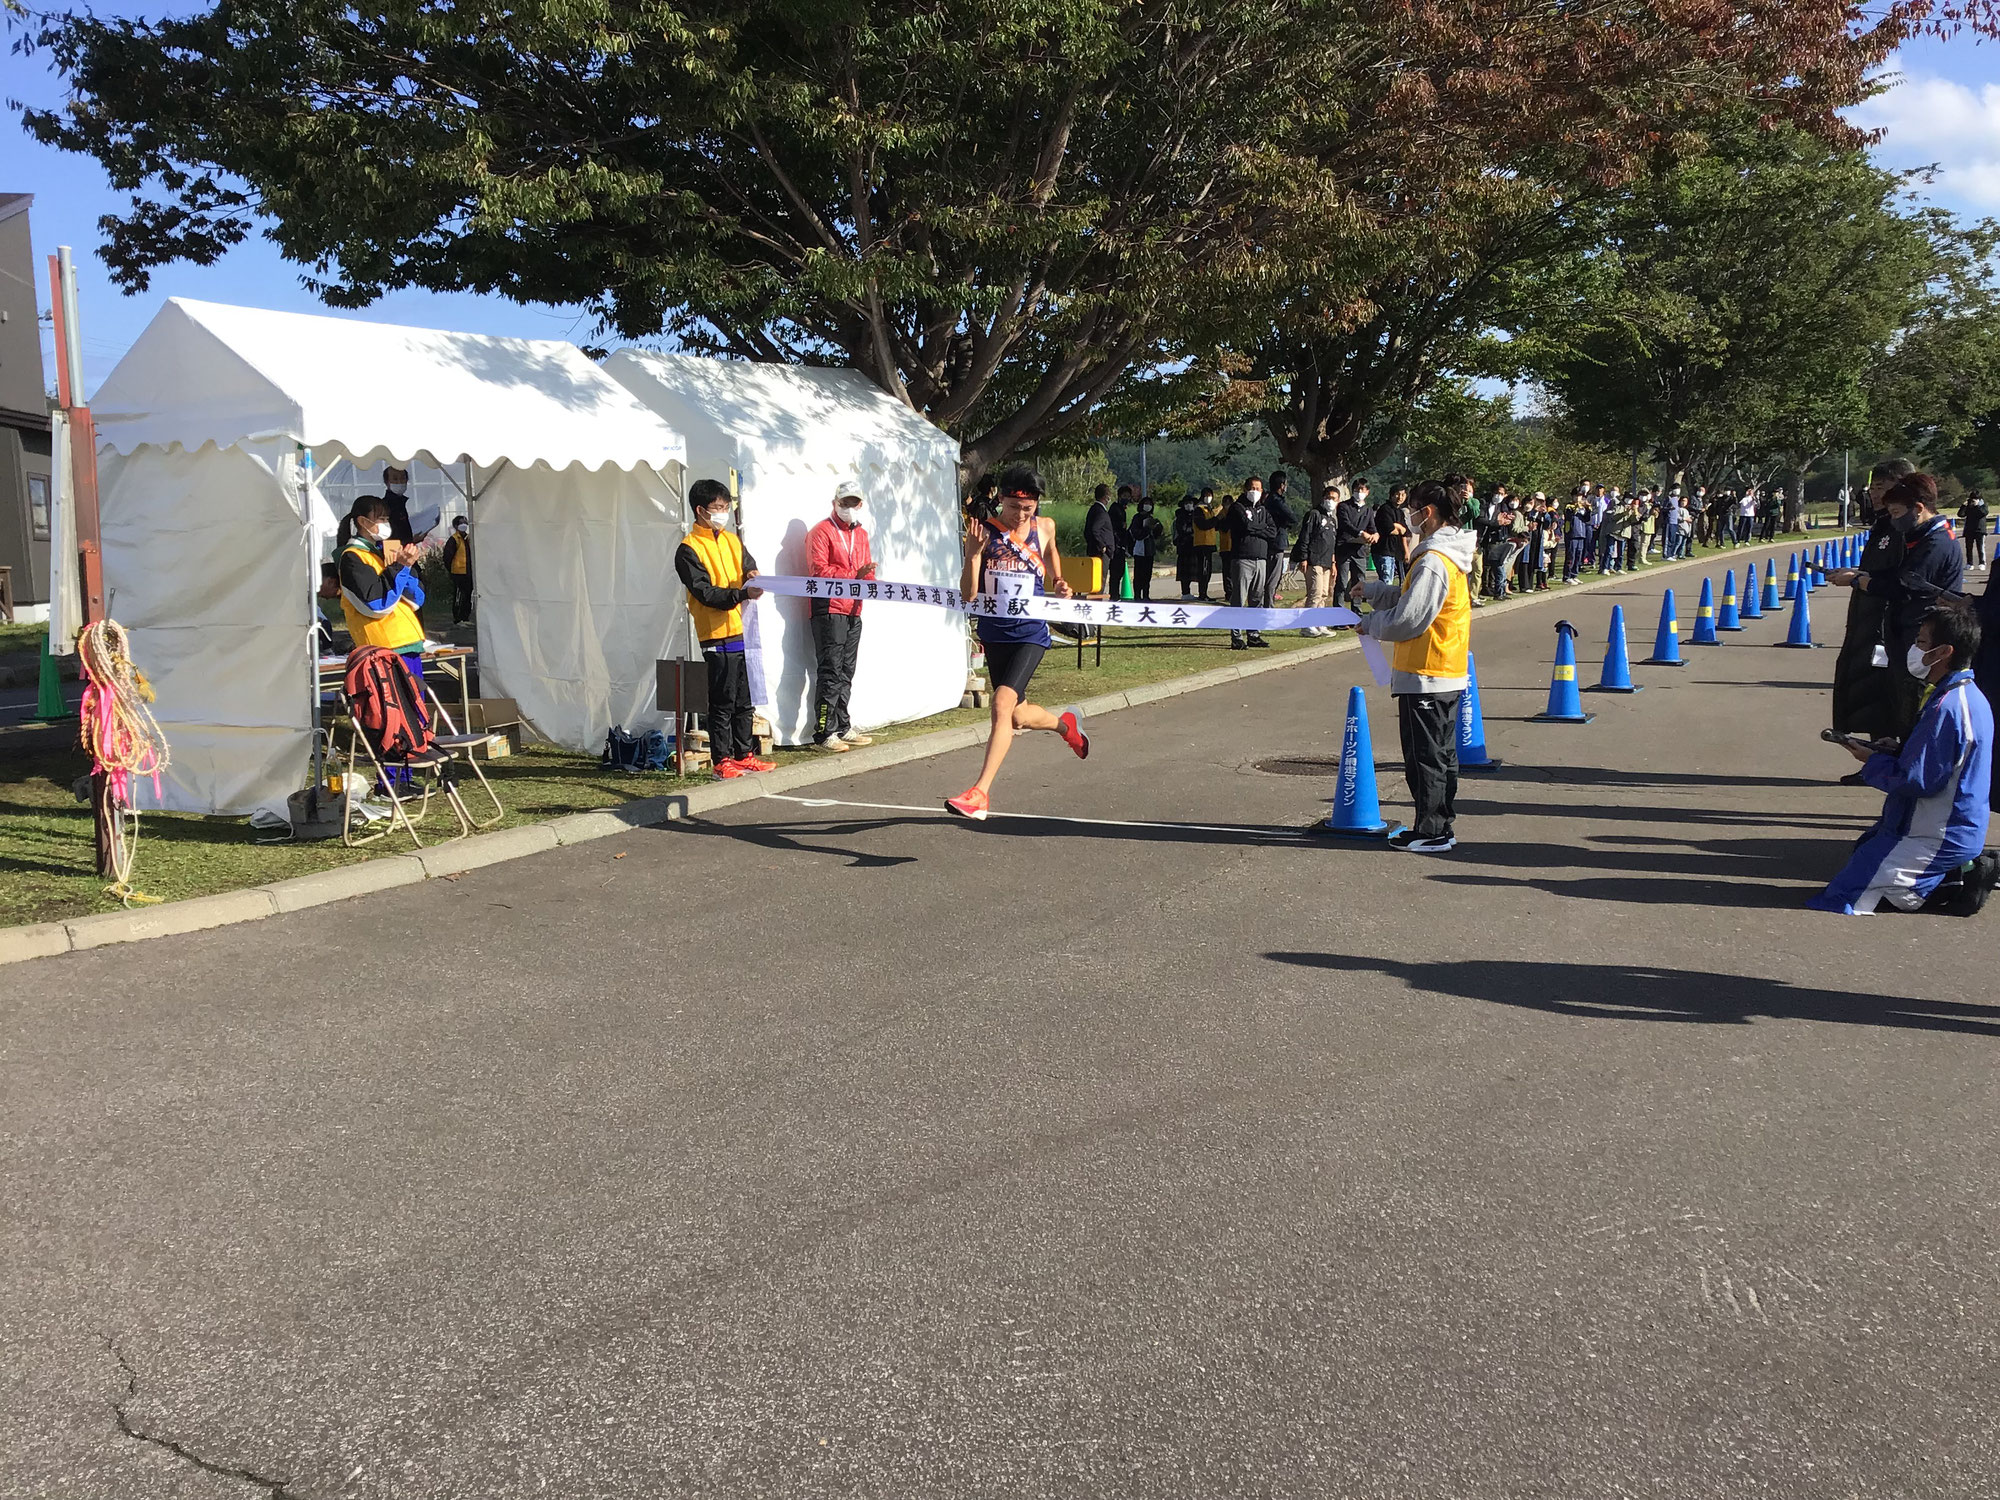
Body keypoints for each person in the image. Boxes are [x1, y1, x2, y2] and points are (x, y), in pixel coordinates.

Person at [1809, 599, 1992, 915]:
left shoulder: (1948, 707)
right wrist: (1897, 750)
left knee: (1846, 895)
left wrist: (1871, 760)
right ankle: (1945, 873)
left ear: (1943, 652)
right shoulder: (1960, 693)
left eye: (1921, 642)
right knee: (1863, 852)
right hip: (1931, 823)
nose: (1915, 648)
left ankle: (1955, 882)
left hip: (1938, 831)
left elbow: (1916, 779)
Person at [946, 465, 1088, 820]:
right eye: (1013, 508)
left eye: (1028, 509)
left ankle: (980, 793)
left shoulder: (1045, 526)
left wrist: (1058, 580)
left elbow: (1052, 551)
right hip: (995, 632)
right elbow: (968, 595)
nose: (1021, 516)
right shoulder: (983, 533)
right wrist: (973, 555)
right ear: (1001, 501)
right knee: (1019, 714)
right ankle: (1065, 725)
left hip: (1030, 632)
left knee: (1001, 705)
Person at [1353, 477, 1476, 854]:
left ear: (1427, 513)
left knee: (1427, 758)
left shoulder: (1434, 560)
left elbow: (1410, 617)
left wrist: (1370, 623)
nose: (1408, 517)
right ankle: (1435, 824)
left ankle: (1433, 829)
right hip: (1442, 669)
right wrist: (1374, 592)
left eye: (1412, 511)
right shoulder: (1441, 557)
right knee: (1440, 755)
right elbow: (1411, 599)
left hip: (1427, 672)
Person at [1828, 469, 1964, 744]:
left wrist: (1859, 582)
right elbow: (1897, 576)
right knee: (1893, 700)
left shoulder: (1936, 543)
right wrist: (1861, 575)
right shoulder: (1922, 537)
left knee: (1911, 703)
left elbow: (1905, 586)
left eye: (1897, 512)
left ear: (1918, 508)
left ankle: (1903, 765)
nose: (1893, 519)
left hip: (1922, 631)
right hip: (1905, 628)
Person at [675, 478, 775, 780]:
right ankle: (722, 759)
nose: (723, 513)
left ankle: (745, 754)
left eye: (726, 507)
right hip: (715, 634)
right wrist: (741, 594)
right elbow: (705, 592)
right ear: (701, 510)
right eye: (717, 508)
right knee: (722, 700)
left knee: (744, 698)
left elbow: (747, 564)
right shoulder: (688, 549)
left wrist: (751, 574)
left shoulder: (731, 540)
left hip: (742, 630)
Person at [1828, 458, 1916, 752]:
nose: (1876, 494)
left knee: (1885, 691)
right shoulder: (1883, 525)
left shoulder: (1904, 529)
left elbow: (1902, 580)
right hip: (1867, 620)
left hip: (1887, 624)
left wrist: (1861, 580)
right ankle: (1875, 756)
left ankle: (1885, 758)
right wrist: (1856, 576)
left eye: (1883, 486)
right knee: (1869, 690)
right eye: (1873, 487)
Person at [805, 482, 875, 754]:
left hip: (854, 609)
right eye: (844, 502)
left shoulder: (862, 534)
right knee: (831, 671)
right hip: (828, 608)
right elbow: (818, 571)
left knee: (846, 670)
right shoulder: (821, 531)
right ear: (834, 502)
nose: (848, 508)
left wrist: (869, 579)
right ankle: (823, 732)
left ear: (860, 505)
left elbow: (865, 572)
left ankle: (842, 725)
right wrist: (855, 576)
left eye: (853, 503)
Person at [337, 495, 428, 687]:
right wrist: (399, 568)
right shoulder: (352, 557)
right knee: (396, 710)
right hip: (383, 649)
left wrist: (406, 566)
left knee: (416, 708)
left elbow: (417, 599)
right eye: (382, 519)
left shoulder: (383, 552)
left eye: (387, 519)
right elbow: (377, 604)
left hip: (408, 643)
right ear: (363, 521)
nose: (387, 524)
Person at [1219, 475, 1281, 649]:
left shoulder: (1263, 510)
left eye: (1258, 489)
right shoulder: (1237, 507)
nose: (1255, 491)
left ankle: (1253, 634)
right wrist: (1259, 528)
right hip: (1242, 559)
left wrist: (1256, 527)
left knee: (1256, 599)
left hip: (1260, 559)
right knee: (1239, 598)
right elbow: (1245, 526)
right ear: (1246, 490)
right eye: (1252, 488)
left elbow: (1273, 532)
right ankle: (1236, 636)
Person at [1291, 482, 1341, 634]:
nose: (1330, 501)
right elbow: (1305, 536)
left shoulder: (1333, 519)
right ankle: (1307, 625)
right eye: (1328, 497)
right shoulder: (1314, 514)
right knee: (1315, 592)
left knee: (1324, 594)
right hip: (1314, 560)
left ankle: (1320, 623)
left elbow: (1332, 543)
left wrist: (1333, 562)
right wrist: (1303, 558)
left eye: (1334, 498)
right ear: (1323, 498)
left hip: (1327, 561)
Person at [1333, 481, 1377, 608]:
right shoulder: (1343, 506)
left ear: (1367, 492)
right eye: (1357, 490)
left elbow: (1372, 527)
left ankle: (1356, 613)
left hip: (1360, 551)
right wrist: (1361, 533)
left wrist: (1375, 534)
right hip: (1344, 549)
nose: (1360, 493)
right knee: (1341, 582)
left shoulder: (1368, 510)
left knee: (1359, 583)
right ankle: (1339, 613)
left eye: (1363, 490)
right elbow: (1346, 525)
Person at [1262, 471, 1298, 609]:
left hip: (1272, 540)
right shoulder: (1276, 500)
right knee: (1273, 576)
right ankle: (1268, 605)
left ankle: (1267, 602)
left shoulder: (1269, 500)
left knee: (1272, 575)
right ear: (1282, 485)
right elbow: (1292, 517)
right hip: (1276, 541)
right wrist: (1285, 522)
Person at [1127, 493, 1165, 601]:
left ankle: (1146, 595)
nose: (1148, 506)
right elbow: (1136, 534)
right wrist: (1146, 529)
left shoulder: (1151, 518)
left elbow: (1156, 536)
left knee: (1147, 574)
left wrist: (1158, 528)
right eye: (1146, 503)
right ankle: (1138, 595)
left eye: (1149, 504)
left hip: (1149, 550)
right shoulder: (1137, 518)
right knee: (1139, 574)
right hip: (1139, 550)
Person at [1083, 484, 1118, 596]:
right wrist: (1102, 546)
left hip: (1094, 550)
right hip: (1101, 553)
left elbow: (1087, 531)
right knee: (1100, 580)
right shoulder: (1101, 512)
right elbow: (1095, 530)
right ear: (1106, 496)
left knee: (1095, 579)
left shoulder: (1093, 510)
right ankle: (1097, 602)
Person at [1371, 486, 1408, 585]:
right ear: (1391, 495)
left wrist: (1398, 526)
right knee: (1386, 582)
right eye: (1397, 494)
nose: (1400, 497)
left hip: (1395, 552)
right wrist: (1398, 528)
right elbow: (1390, 530)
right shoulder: (1385, 509)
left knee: (1395, 581)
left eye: (1403, 494)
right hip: (1383, 550)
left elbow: (1404, 531)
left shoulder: (1400, 512)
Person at [441, 516, 473, 624]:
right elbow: (447, 557)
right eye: (461, 523)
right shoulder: (454, 539)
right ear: (455, 526)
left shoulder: (468, 538)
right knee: (459, 595)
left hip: (468, 572)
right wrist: (451, 570)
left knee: (467, 595)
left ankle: (465, 617)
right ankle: (458, 618)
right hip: (458, 573)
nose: (464, 524)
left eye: (465, 522)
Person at [1193, 486, 1224, 600]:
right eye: (1206, 495)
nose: (1208, 497)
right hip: (1201, 543)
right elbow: (1203, 525)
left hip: (1209, 543)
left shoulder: (1209, 509)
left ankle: (1204, 593)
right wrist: (1217, 519)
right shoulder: (1198, 509)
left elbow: (1213, 527)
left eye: (1210, 495)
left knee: (1208, 570)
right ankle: (1202, 594)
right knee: (1203, 570)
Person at [1172, 494, 1200, 599]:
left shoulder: (1196, 515)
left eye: (1191, 503)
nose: (1189, 505)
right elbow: (1182, 530)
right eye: (1187, 503)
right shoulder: (1180, 517)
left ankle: (1191, 592)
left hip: (1194, 546)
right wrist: (1193, 531)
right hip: (1183, 546)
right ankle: (1185, 592)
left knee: (1193, 570)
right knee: (1185, 572)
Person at [1959, 490, 1989, 572]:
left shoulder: (1983, 505)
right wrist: (1964, 505)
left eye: (1975, 499)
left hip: (1980, 530)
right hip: (1969, 530)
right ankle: (1969, 563)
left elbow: (1984, 513)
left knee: (1980, 547)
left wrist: (1977, 506)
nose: (1973, 501)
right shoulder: (1968, 505)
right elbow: (1961, 514)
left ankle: (1982, 563)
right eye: (1972, 499)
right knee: (1968, 548)